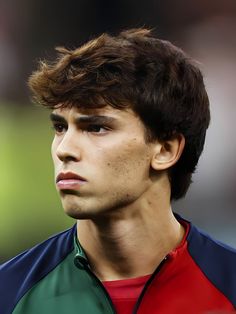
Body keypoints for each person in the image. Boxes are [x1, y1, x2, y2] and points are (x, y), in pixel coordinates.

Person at [0, 28, 235, 314]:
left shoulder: (228, 286)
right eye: (60, 127)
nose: (64, 149)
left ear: (165, 150)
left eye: (96, 128)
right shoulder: (9, 293)